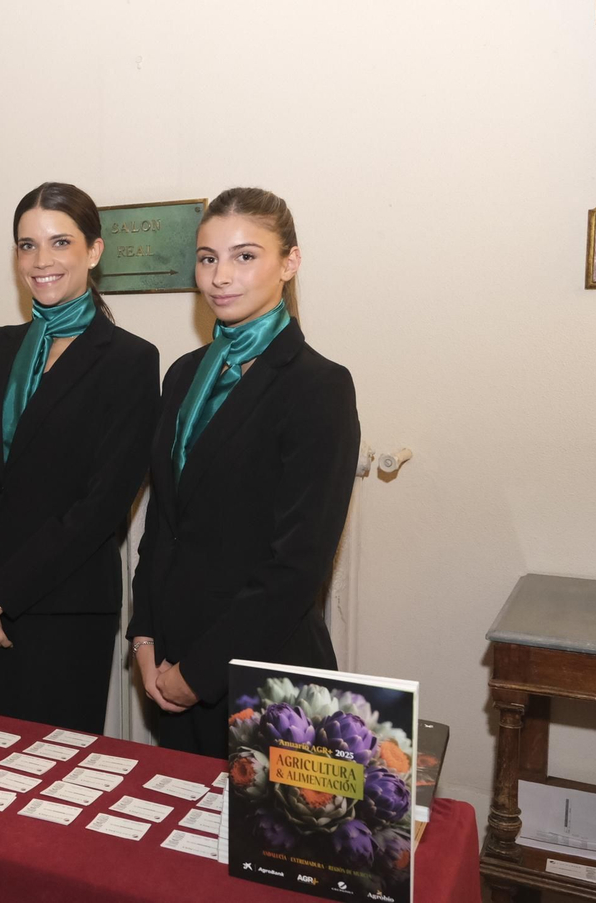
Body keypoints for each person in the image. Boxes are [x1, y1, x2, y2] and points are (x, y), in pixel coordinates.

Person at [127, 187, 360, 758]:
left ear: (289, 262)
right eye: (207, 258)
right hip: (170, 664)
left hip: (265, 676)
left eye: (245, 256)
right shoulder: (184, 374)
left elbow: (297, 565)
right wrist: (144, 634)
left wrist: (200, 672)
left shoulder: (319, 387)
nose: (220, 276)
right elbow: (163, 523)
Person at [0, 182, 159, 733]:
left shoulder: (130, 360)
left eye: (60, 242)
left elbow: (101, 506)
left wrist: (1, 594)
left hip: (64, 610)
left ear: (94, 250)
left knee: (52, 774)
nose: (41, 261)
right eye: (27, 245)